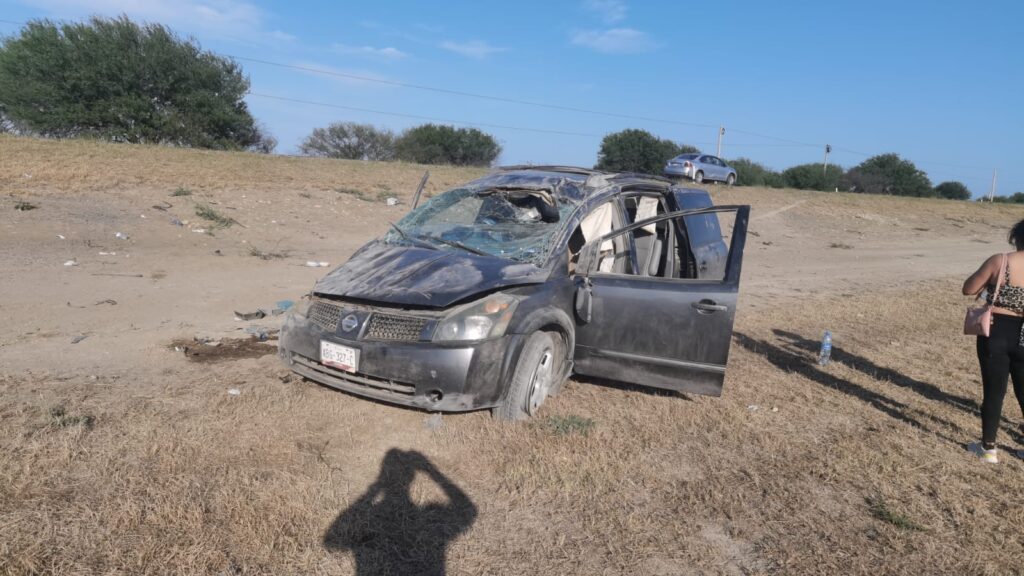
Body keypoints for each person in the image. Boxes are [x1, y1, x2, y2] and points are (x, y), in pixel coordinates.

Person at [962, 219, 1024, 463]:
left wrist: (990, 287)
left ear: (1016, 238)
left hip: (996, 331)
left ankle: (988, 449)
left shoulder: (1001, 261)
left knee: (994, 390)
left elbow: (968, 289)